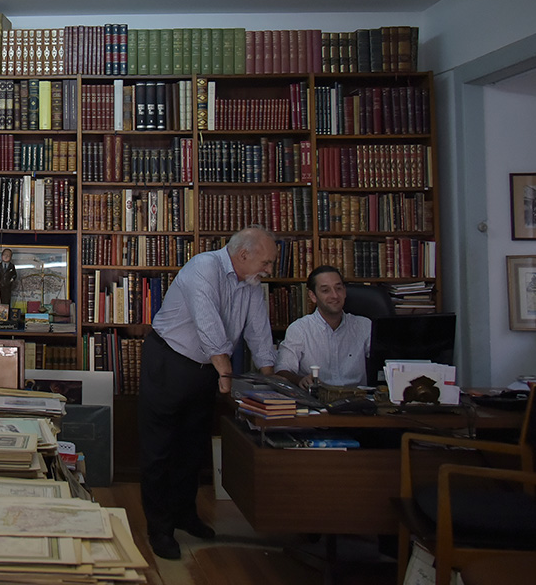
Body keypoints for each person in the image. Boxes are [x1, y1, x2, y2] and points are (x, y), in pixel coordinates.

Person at [139, 226, 279, 560]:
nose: (269, 270)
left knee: (192, 447)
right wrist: (228, 378)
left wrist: (271, 380)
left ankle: (185, 514)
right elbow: (209, 327)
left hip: (206, 370)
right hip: (170, 362)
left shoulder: (251, 283)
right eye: (267, 262)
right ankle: (159, 529)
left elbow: (259, 332)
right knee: (160, 448)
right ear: (244, 255)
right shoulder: (203, 267)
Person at [275, 265, 372, 388]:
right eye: (326, 290)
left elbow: (385, 362)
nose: (335, 295)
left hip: (358, 400)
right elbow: (282, 370)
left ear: (345, 291)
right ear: (313, 296)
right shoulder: (300, 329)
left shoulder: (364, 326)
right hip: (318, 400)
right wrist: (300, 380)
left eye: (338, 288)